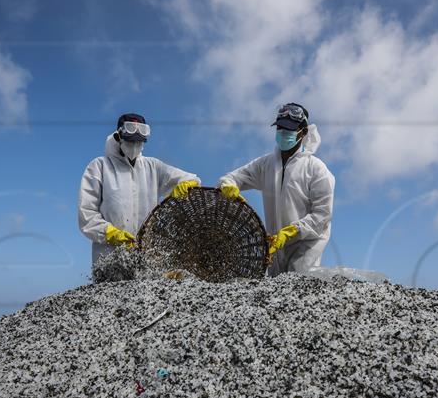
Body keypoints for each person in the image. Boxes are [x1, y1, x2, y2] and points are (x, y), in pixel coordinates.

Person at [218, 103, 335, 276]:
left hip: (306, 245)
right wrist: (229, 186)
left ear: (303, 132)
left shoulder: (317, 170)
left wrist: (292, 231)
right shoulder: (265, 165)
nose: (283, 133)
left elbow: (322, 215)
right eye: (280, 128)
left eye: (289, 129)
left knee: (299, 289)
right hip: (274, 244)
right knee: (275, 294)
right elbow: (231, 178)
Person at [78, 113, 201, 266]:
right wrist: (109, 232)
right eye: (130, 142)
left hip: (146, 257)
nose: (135, 146)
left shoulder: (153, 166)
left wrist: (186, 184)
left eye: (139, 142)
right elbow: (86, 214)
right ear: (118, 138)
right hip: (108, 257)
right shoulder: (100, 166)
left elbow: (192, 179)